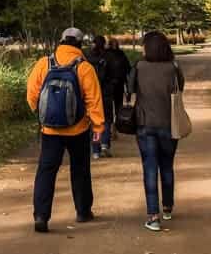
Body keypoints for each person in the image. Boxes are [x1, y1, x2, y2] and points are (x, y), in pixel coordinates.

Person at [26, 27, 105, 233]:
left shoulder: (44, 63)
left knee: (46, 171)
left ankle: (41, 216)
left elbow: (32, 93)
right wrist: (98, 126)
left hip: (50, 131)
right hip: (78, 129)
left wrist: (43, 114)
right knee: (80, 169)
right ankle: (83, 211)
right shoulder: (84, 67)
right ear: (79, 45)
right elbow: (93, 100)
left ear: (61, 41)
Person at [128, 31, 185, 232]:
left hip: (145, 125)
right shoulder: (173, 67)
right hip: (169, 124)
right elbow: (181, 88)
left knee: (150, 168)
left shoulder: (139, 66)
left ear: (147, 47)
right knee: (167, 166)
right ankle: (168, 207)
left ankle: (153, 216)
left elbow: (129, 89)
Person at [87, 36, 112, 159]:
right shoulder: (108, 57)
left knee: (95, 121)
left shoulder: (88, 58)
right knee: (106, 119)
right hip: (106, 92)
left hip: (91, 93)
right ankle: (105, 144)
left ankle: (95, 150)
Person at [103, 37, 132, 133]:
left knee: (108, 107)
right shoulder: (121, 54)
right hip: (119, 83)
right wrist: (128, 88)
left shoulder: (104, 54)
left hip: (107, 85)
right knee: (118, 105)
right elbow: (128, 69)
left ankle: (110, 127)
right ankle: (116, 126)